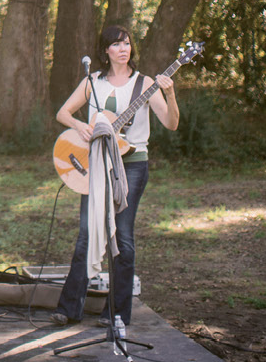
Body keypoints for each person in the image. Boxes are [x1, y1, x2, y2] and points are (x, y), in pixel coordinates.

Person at [50, 22, 179, 329]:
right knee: (86, 234)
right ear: (105, 51)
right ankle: (69, 309)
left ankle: (117, 313)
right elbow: (63, 113)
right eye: (117, 44)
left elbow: (171, 123)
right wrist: (80, 126)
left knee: (122, 236)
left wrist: (170, 94)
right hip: (94, 165)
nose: (124, 49)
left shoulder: (144, 84)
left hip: (132, 165)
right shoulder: (93, 81)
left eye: (127, 43)